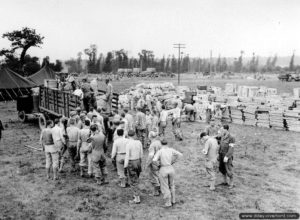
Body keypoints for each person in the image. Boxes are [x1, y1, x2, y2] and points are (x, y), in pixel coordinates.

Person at [152, 139, 183, 207]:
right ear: (167, 143)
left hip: (163, 169)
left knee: (165, 186)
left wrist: (158, 164)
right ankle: (173, 200)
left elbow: (154, 160)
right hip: (170, 168)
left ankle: (168, 202)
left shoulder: (160, 151)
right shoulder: (171, 150)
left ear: (161, 144)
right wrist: (173, 161)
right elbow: (180, 154)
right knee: (172, 185)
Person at [124, 130, 143, 204]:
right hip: (138, 161)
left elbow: (127, 156)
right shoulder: (139, 142)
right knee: (136, 178)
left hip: (132, 162)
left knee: (133, 180)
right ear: (134, 135)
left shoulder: (128, 144)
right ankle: (136, 195)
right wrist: (140, 162)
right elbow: (141, 153)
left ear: (128, 136)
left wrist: (125, 166)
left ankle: (137, 198)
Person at [146, 132, 162, 196]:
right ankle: (160, 188)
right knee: (158, 175)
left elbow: (151, 155)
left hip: (154, 162)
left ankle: (156, 192)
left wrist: (147, 163)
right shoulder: (159, 142)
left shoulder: (152, 145)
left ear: (150, 137)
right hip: (160, 161)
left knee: (154, 177)